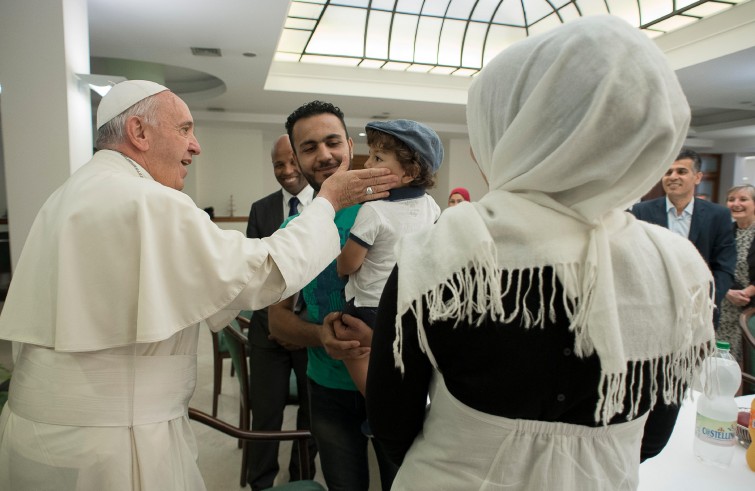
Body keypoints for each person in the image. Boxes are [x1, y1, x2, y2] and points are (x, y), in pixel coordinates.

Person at [364, 16, 716, 490]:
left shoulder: (445, 248)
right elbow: (651, 439)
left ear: (518, 130)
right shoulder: (679, 269)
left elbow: (391, 422)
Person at [0, 81, 397, 491]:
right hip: (111, 439)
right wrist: (328, 202)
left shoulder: (70, 194)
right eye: (185, 129)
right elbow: (262, 275)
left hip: (45, 433)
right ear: (139, 132)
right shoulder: (145, 199)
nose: (196, 146)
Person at [268, 101, 395, 491]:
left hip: (396, 383)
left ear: (349, 143)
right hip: (326, 389)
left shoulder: (397, 207)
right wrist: (320, 336)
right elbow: (277, 320)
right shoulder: (295, 228)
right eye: (309, 147)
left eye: (332, 141)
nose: (324, 155)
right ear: (297, 157)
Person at [335, 119, 442, 395]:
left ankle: (375, 409)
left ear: (409, 172)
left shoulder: (374, 211)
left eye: (378, 157)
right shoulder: (431, 206)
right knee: (399, 370)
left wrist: (339, 264)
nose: (367, 163)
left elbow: (349, 263)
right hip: (407, 305)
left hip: (368, 307)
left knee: (357, 354)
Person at [245, 135, 315, 490]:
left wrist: (298, 328)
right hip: (267, 333)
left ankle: (302, 479)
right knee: (266, 418)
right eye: (278, 165)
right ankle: (261, 484)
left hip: (312, 333)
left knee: (313, 415)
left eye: (291, 162)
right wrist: (278, 324)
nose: (287, 171)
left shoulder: (325, 208)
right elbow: (255, 276)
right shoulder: (261, 210)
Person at [631, 149, 735, 325]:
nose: (673, 176)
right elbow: (635, 259)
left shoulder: (718, 215)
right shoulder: (642, 211)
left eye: (682, 171)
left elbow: (724, 267)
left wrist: (706, 300)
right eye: (668, 172)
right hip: (652, 309)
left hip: (699, 312)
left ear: (698, 177)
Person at [718, 184, 755, 364]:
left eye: (743, 199)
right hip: (725, 307)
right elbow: (713, 265)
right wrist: (727, 292)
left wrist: (749, 292)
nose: (736, 204)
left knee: (748, 362)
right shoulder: (724, 232)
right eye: (731, 200)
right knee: (724, 362)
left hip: (751, 308)